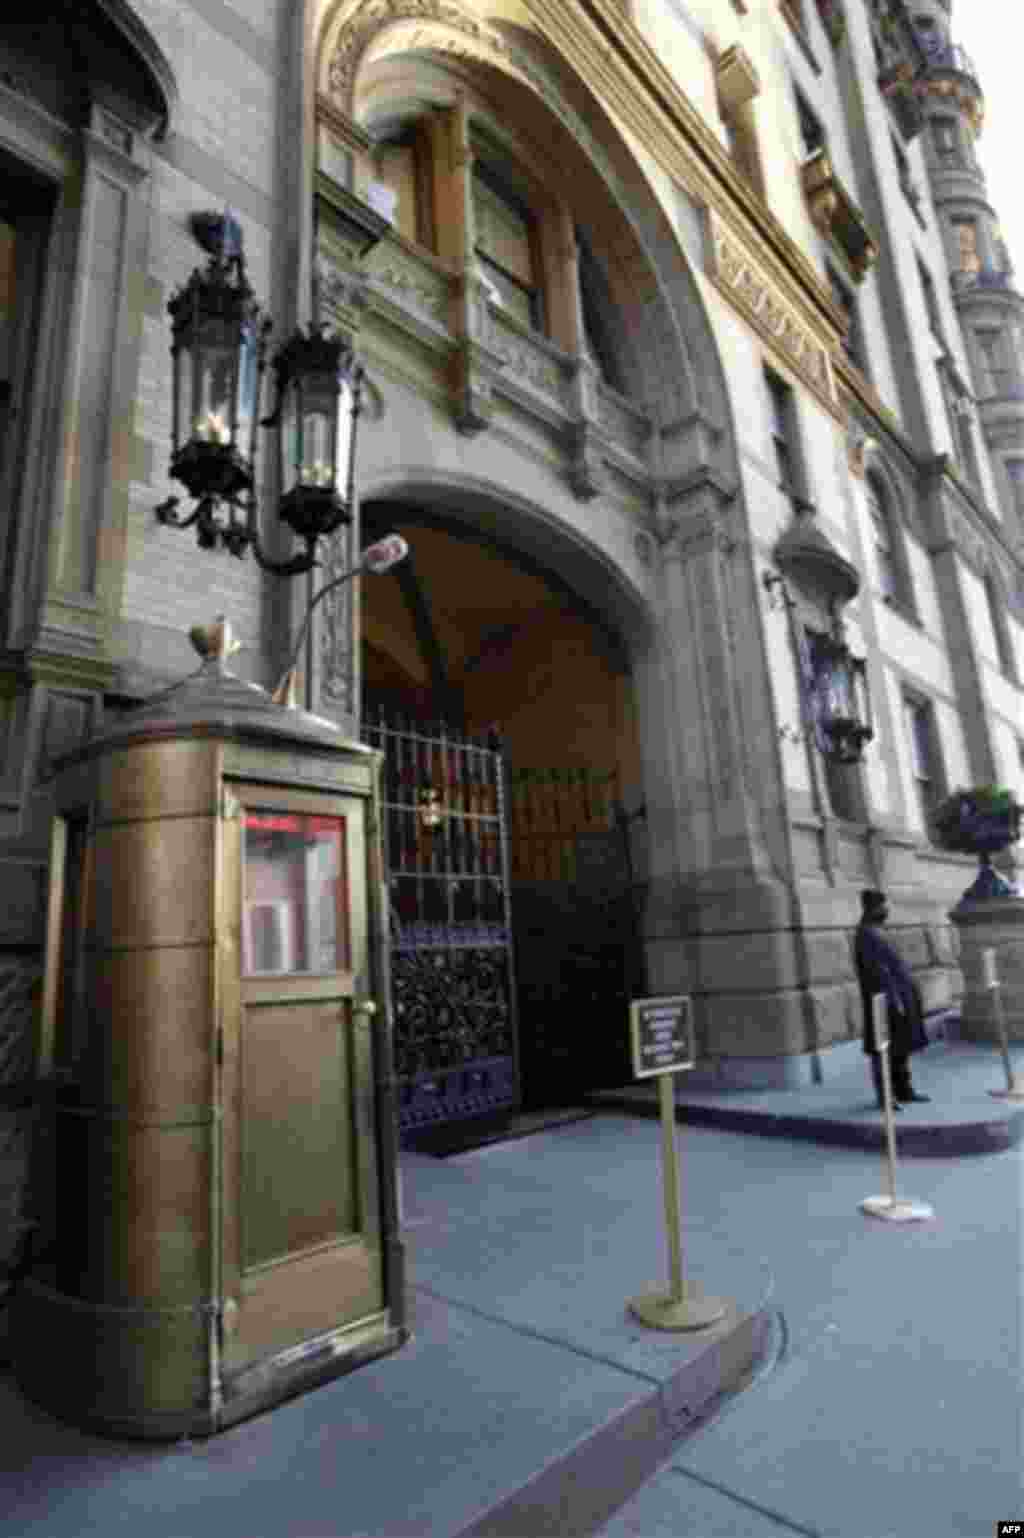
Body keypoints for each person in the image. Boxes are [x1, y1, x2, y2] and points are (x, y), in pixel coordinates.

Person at [853, 889, 930, 1110]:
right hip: (884, 1002)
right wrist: (893, 999)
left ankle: (904, 1091)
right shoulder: (866, 934)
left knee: (900, 1047)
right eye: (883, 905)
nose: (887, 909)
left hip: (898, 998)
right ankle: (886, 1097)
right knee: (884, 1050)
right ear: (873, 907)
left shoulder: (877, 931)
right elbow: (877, 972)